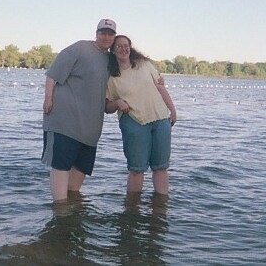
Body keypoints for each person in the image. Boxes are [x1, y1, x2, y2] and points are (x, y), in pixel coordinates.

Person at [42, 19, 117, 201]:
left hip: (90, 129)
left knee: (80, 173)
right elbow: (52, 75)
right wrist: (48, 99)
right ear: (96, 33)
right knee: (60, 166)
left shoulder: (110, 60)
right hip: (64, 122)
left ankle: (72, 212)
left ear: (114, 37)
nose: (106, 37)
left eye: (110, 34)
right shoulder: (79, 48)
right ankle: (60, 210)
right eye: (103, 33)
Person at [105, 35, 176, 195]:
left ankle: (160, 209)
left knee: (161, 168)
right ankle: (132, 210)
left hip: (161, 120)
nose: (123, 49)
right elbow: (107, 107)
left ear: (131, 48)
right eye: (119, 46)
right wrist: (117, 103)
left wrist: (173, 110)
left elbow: (161, 88)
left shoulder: (144, 65)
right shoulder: (111, 76)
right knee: (137, 170)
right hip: (134, 122)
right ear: (113, 51)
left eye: (126, 45)